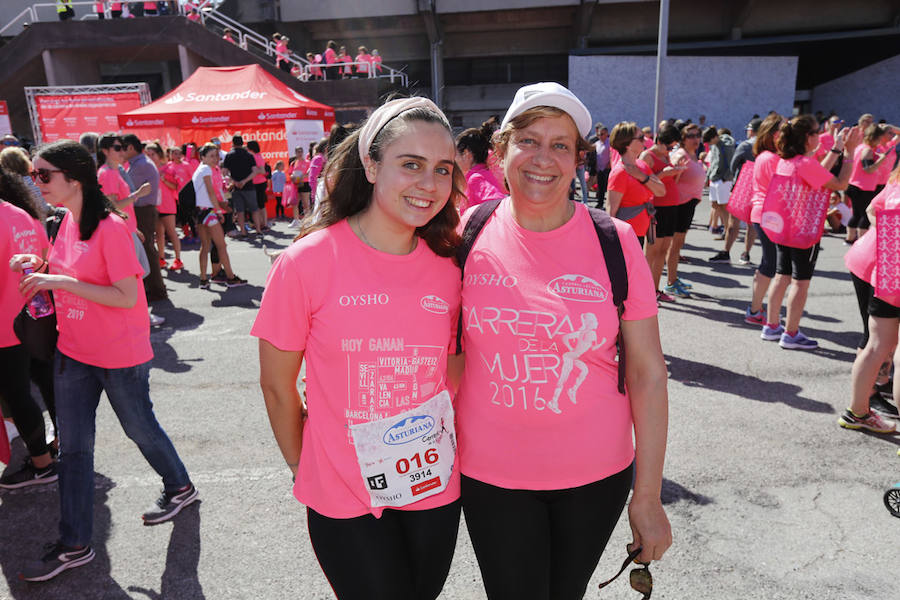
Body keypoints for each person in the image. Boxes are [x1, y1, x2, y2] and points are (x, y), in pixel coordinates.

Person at [455, 82, 671, 600]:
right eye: (528, 140)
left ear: (579, 159)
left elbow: (647, 372)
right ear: (500, 152)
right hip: (490, 475)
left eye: (560, 145)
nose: (542, 159)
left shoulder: (615, 241)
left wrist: (647, 496)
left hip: (596, 477)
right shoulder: (465, 233)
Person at [252, 97, 465, 599]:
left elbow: (453, 364)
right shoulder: (306, 262)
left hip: (432, 484)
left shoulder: (450, 264)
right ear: (371, 165)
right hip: (342, 492)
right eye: (410, 165)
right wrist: (305, 465)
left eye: (441, 169)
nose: (428, 184)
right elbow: (278, 386)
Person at [11, 141, 198, 582]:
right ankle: (74, 543)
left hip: (118, 354)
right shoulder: (65, 223)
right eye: (33, 176)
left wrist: (55, 279)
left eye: (43, 176)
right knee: (74, 450)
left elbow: (125, 296)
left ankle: (180, 487)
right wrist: (36, 265)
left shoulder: (111, 228)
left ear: (73, 179)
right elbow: (73, 273)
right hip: (73, 352)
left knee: (139, 427)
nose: (36, 185)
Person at [763, 115, 861, 350]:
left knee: (781, 276)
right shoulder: (805, 164)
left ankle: (772, 325)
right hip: (803, 231)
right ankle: (791, 333)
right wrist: (849, 154)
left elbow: (817, 173)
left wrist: (837, 147)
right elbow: (839, 184)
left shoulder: (787, 160)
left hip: (785, 229)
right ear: (808, 138)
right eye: (817, 132)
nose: (820, 136)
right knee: (800, 283)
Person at [0, 169, 56, 490]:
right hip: (34, 316)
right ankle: (49, 452)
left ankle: (41, 463)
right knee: (36, 388)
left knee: (17, 396)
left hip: (8, 324)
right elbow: (46, 258)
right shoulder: (22, 213)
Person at [841, 168, 900, 432]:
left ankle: (858, 411)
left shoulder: (897, 180)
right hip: (883, 259)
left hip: (887, 261)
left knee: (876, 345)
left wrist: (892, 238)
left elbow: (873, 211)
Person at [743, 114, 784, 326]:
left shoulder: (766, 156)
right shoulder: (772, 158)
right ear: (774, 134)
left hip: (764, 213)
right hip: (770, 214)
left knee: (769, 262)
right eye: (784, 129)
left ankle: (756, 308)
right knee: (771, 264)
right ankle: (756, 310)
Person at [640, 124, 687, 302]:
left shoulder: (665, 154)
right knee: (652, 251)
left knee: (664, 250)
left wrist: (676, 171)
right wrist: (664, 173)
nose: (669, 150)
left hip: (671, 204)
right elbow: (644, 182)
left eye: (672, 147)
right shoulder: (647, 156)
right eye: (668, 146)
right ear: (659, 140)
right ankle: (644, 292)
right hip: (657, 206)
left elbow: (669, 179)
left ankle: (655, 289)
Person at [191, 143, 245, 288]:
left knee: (206, 245)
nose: (215, 159)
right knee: (221, 245)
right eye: (211, 156)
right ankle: (230, 277)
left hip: (199, 212)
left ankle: (203, 279)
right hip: (209, 212)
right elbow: (211, 192)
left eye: (216, 155)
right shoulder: (206, 170)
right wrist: (219, 211)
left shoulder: (200, 170)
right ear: (203, 157)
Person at [123, 134, 167, 302]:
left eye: (122, 148)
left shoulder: (140, 164)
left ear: (131, 148)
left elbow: (129, 192)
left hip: (143, 210)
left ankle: (156, 289)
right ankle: (155, 288)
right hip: (143, 209)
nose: (121, 152)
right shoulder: (139, 163)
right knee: (147, 247)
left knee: (147, 248)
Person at [663, 124, 705, 298]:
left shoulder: (693, 155)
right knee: (674, 246)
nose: (695, 139)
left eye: (697, 135)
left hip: (689, 204)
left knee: (678, 245)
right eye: (691, 136)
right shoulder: (681, 155)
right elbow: (671, 180)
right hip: (679, 205)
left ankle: (674, 278)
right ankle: (670, 283)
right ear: (683, 138)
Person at [607, 121, 665, 247]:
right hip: (626, 236)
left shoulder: (641, 166)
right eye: (640, 138)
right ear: (627, 144)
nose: (645, 140)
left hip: (640, 232)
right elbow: (611, 211)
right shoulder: (619, 173)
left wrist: (642, 177)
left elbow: (661, 191)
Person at [845, 124, 895, 244]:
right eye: (878, 139)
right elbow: (868, 169)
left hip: (855, 185)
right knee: (864, 216)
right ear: (874, 137)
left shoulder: (860, 147)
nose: (879, 142)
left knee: (856, 214)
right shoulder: (867, 150)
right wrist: (881, 160)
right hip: (862, 187)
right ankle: (861, 241)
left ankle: (850, 239)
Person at [723, 118, 762, 266]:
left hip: (742, 186)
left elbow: (733, 166)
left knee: (734, 222)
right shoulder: (769, 146)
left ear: (751, 130)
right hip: (760, 188)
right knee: (752, 223)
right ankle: (746, 253)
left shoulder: (746, 145)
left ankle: (726, 251)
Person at [145, 142, 183, 271]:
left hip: (167, 205)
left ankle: (178, 259)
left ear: (159, 154)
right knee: (159, 234)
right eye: (148, 154)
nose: (150, 157)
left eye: (153, 154)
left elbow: (176, 187)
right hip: (153, 206)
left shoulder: (168, 168)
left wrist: (164, 180)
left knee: (171, 232)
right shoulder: (147, 169)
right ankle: (161, 258)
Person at [455, 124, 506, 212]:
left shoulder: (476, 179)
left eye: (455, 154)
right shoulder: (483, 173)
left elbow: (498, 204)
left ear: (467, 154)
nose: (454, 160)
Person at [222, 135, 261, 237]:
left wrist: (234, 181)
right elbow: (255, 171)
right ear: (242, 143)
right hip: (249, 186)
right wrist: (245, 181)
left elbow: (224, 172)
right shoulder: (249, 155)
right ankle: (258, 230)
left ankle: (243, 231)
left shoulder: (229, 155)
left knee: (240, 210)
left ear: (233, 143)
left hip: (235, 187)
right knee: (254, 209)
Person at [705, 127, 736, 258]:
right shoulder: (715, 146)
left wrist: (726, 178)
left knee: (724, 209)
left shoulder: (727, 146)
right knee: (716, 206)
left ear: (713, 137)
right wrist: (708, 177)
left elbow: (731, 164)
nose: (708, 144)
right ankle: (724, 230)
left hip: (723, 180)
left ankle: (727, 232)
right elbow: (713, 163)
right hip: (715, 179)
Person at [246, 140, 269, 231]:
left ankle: (263, 224)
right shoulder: (257, 156)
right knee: (259, 205)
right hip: (258, 183)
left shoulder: (256, 157)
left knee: (260, 205)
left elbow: (262, 171)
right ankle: (261, 223)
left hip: (258, 183)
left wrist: (254, 171)